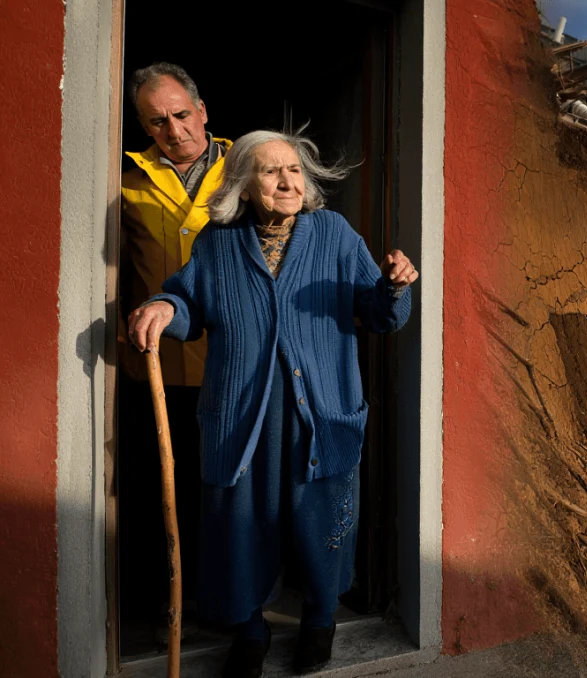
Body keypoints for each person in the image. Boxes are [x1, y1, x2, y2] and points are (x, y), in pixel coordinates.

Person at [127, 130, 419, 677]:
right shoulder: (217, 241)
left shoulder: (334, 233)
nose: (287, 182)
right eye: (270, 172)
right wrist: (165, 306)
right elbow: (189, 301)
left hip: (322, 410)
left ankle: (318, 620)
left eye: (294, 171)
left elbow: (378, 315)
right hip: (242, 412)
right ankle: (250, 630)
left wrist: (393, 287)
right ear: (243, 183)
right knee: (240, 524)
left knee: (321, 520)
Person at [119, 62, 230, 628]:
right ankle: (161, 606)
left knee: (225, 495)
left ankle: (228, 605)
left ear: (203, 110)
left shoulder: (248, 169)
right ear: (144, 127)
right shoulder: (127, 178)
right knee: (159, 495)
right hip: (155, 369)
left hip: (232, 369)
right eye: (158, 121)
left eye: (182, 115)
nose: (174, 130)